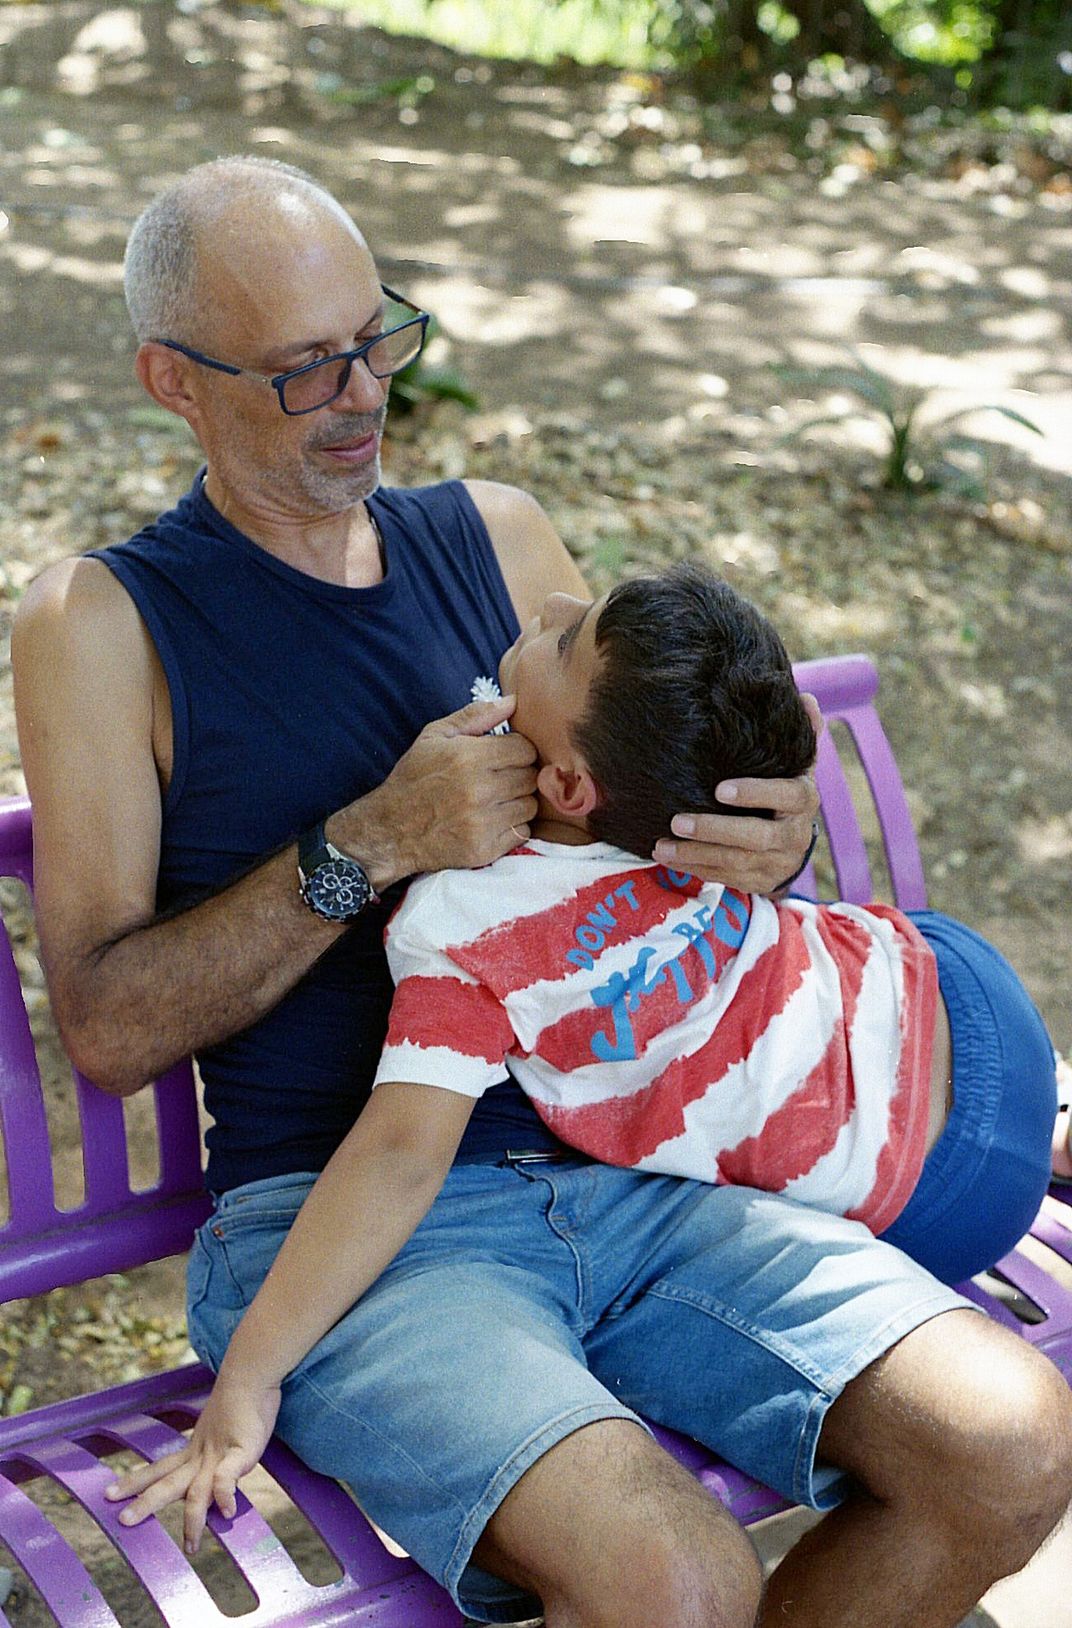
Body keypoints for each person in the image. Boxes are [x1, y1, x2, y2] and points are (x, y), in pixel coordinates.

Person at [12, 156, 1072, 1628]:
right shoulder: (102, 620)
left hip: (641, 1170)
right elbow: (109, 1025)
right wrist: (370, 842)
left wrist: (760, 839)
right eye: (307, 366)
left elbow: (655, 811)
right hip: (347, 1224)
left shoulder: (497, 538)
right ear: (170, 379)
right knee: (673, 1582)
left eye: (378, 337)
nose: (364, 393)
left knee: (1010, 1444)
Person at [99, 561, 1061, 1569]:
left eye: (566, 637)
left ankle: (1051, 1122)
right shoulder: (674, 812)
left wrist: (248, 1377)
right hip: (948, 980)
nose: (550, 603)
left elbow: (398, 1156)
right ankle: (1056, 1117)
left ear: (566, 784)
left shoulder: (464, 925)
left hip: (942, 1184)